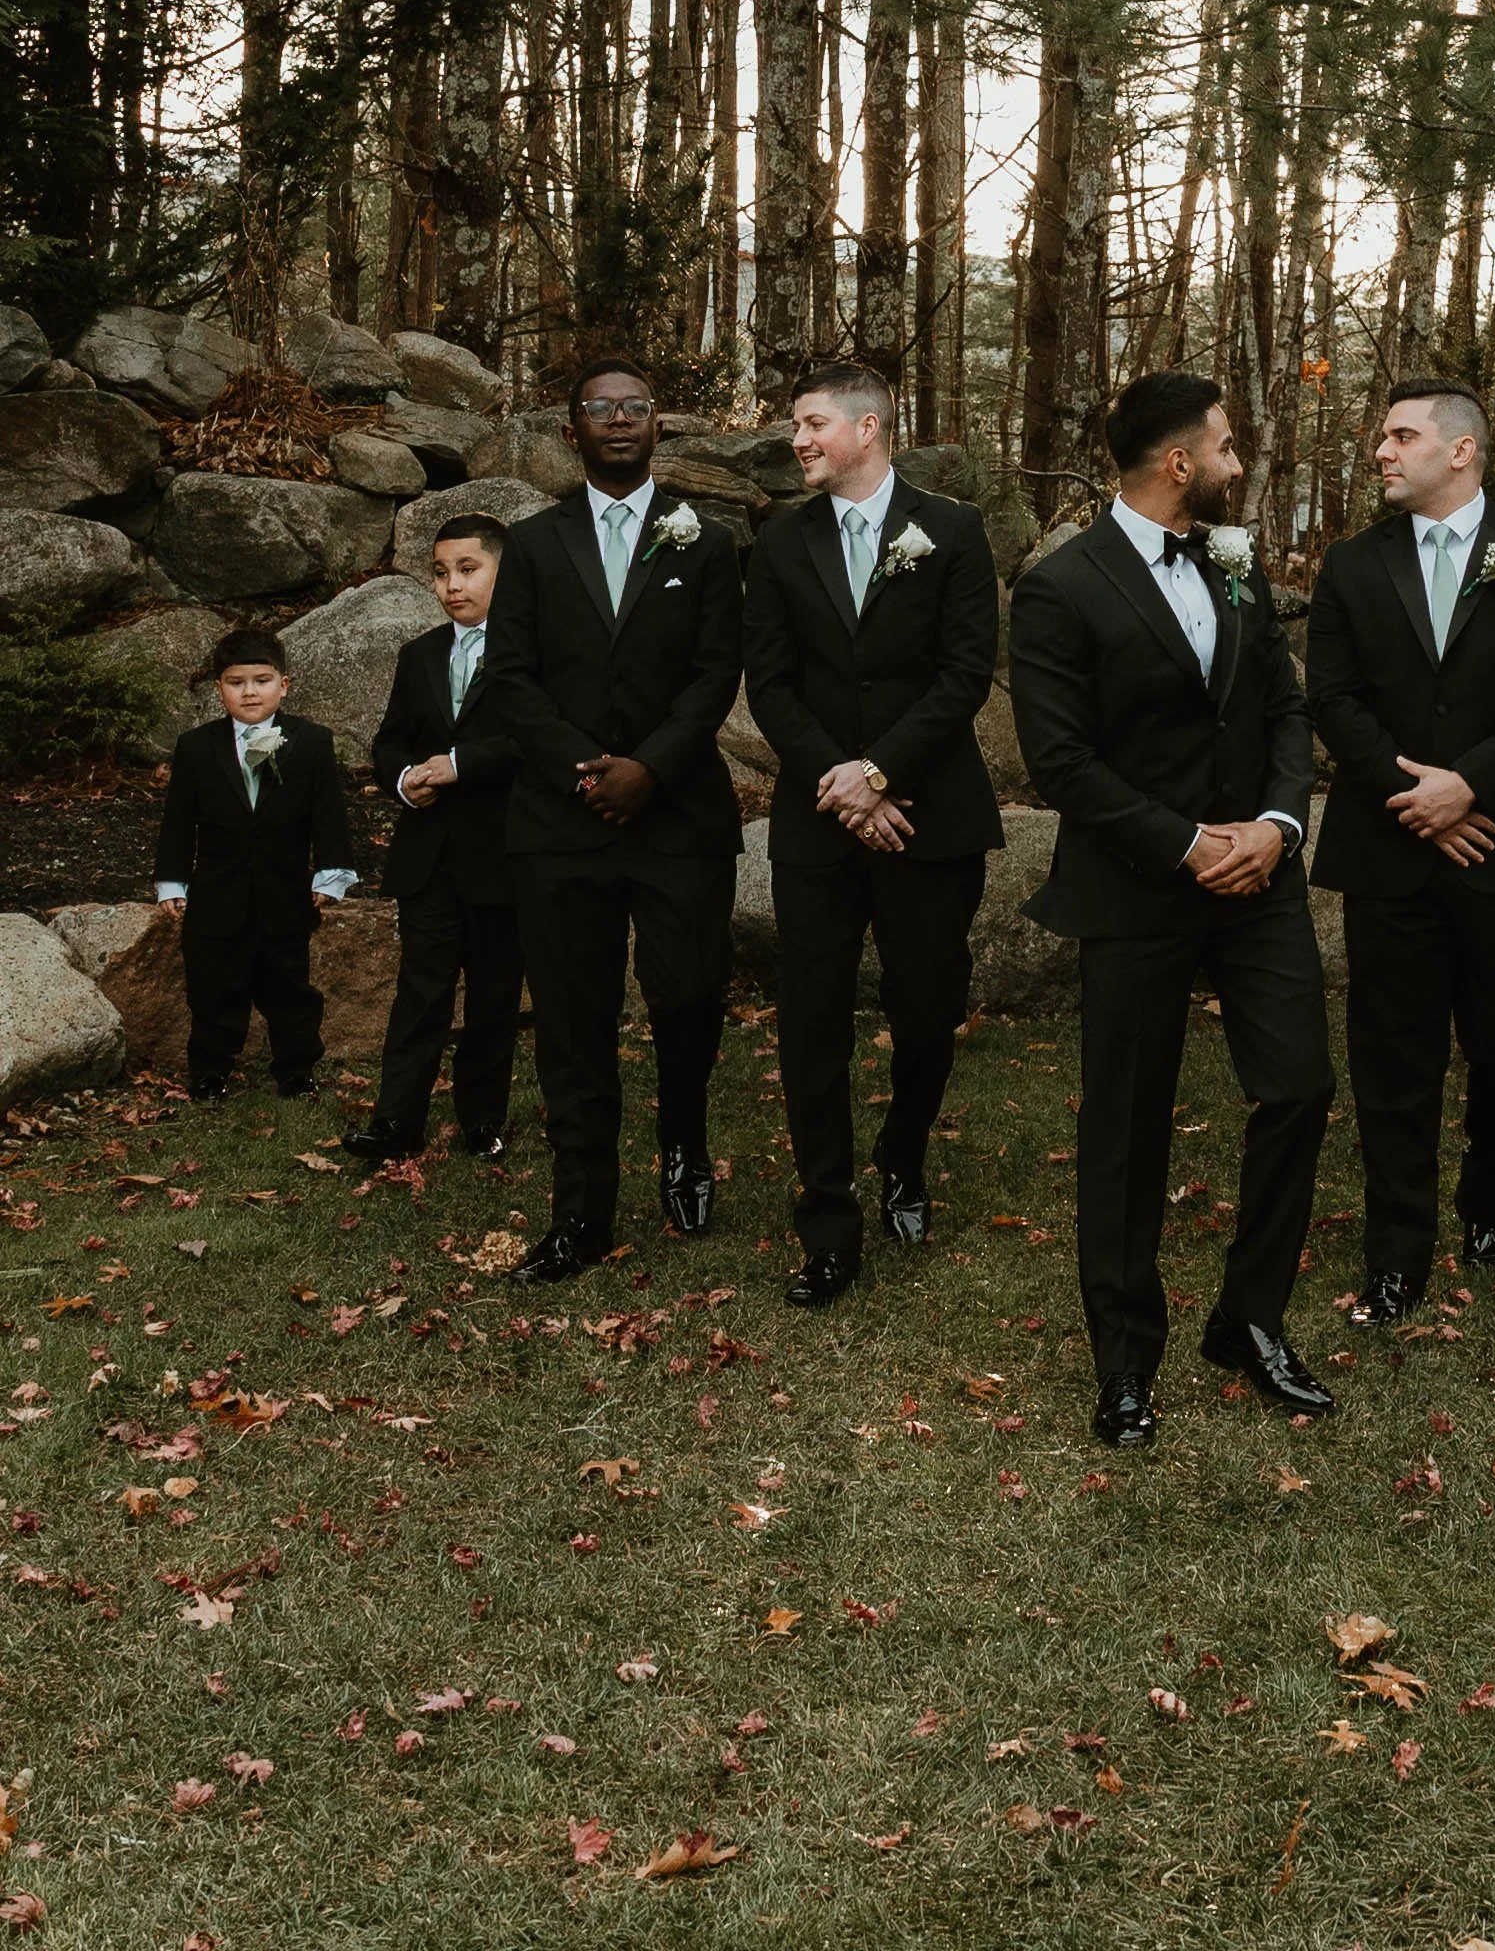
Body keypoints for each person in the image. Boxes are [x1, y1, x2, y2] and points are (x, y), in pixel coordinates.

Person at [1008, 371, 1335, 1447]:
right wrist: (1187, 843)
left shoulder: (1236, 564)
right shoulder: (1062, 588)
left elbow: (1287, 711)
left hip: (1257, 885)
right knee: (1126, 1127)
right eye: (1228, 449)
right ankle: (1124, 1362)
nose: (1241, 466)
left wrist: (1276, 828)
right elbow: (1061, 761)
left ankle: (1248, 1322)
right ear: (1180, 461)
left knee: (1296, 1088)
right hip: (1141, 889)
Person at [1306, 381, 1495, 1322]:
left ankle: (1486, 1202)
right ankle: (1397, 1249)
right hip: (1391, 848)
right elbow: (1333, 698)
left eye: (1400, 437)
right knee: (1392, 1053)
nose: (1382, 453)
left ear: (1462, 450)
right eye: (1382, 438)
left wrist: (1471, 786)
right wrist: (1416, 798)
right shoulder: (1353, 565)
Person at [741, 359, 1004, 1305]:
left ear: (868, 428)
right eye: (795, 426)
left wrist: (882, 772)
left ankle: (904, 1157)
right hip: (818, 826)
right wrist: (841, 784)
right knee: (811, 1020)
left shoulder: (955, 531)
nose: (799, 441)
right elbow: (767, 680)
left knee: (927, 1009)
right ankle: (827, 1221)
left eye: (812, 423)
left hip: (930, 820)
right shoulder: (779, 539)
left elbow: (965, 673)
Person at [483, 358, 745, 1281]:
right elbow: (508, 674)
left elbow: (718, 671)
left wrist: (651, 769)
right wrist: (581, 771)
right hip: (561, 824)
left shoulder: (705, 543)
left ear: (659, 425)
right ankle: (581, 1210)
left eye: (637, 407)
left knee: (686, 997)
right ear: (572, 432)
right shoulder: (533, 544)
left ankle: (683, 1141)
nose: (621, 420)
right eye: (602, 409)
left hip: (678, 820)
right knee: (572, 1018)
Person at [346, 515, 523, 1165]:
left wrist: (463, 763)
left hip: (504, 857)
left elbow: (539, 740)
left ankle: (482, 1120)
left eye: (468, 569)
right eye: (441, 572)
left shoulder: (533, 653)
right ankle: (396, 1124)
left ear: (505, 573)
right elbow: (392, 736)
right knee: (420, 992)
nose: (452, 585)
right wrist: (400, 779)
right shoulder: (418, 654)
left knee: (494, 997)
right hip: (429, 859)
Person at [154, 629, 358, 1104]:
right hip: (216, 895)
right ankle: (209, 1071)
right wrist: (171, 880)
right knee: (213, 991)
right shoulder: (196, 747)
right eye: (236, 682)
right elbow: (179, 821)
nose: (249, 692)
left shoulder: (310, 742)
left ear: (283, 685)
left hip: (283, 893)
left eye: (261, 680)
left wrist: (331, 872)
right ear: (218, 688)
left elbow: (328, 814)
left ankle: (296, 1069)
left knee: (289, 990)